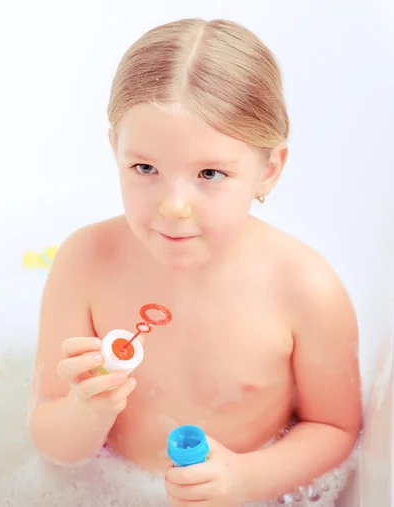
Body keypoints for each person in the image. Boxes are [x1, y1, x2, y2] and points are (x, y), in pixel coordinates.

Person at [28, 17, 362, 506]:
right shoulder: (85, 263)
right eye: (145, 168)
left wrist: (251, 478)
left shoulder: (303, 287)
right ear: (114, 151)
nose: (173, 205)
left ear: (268, 169)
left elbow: (333, 427)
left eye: (210, 173)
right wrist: (87, 409)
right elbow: (53, 443)